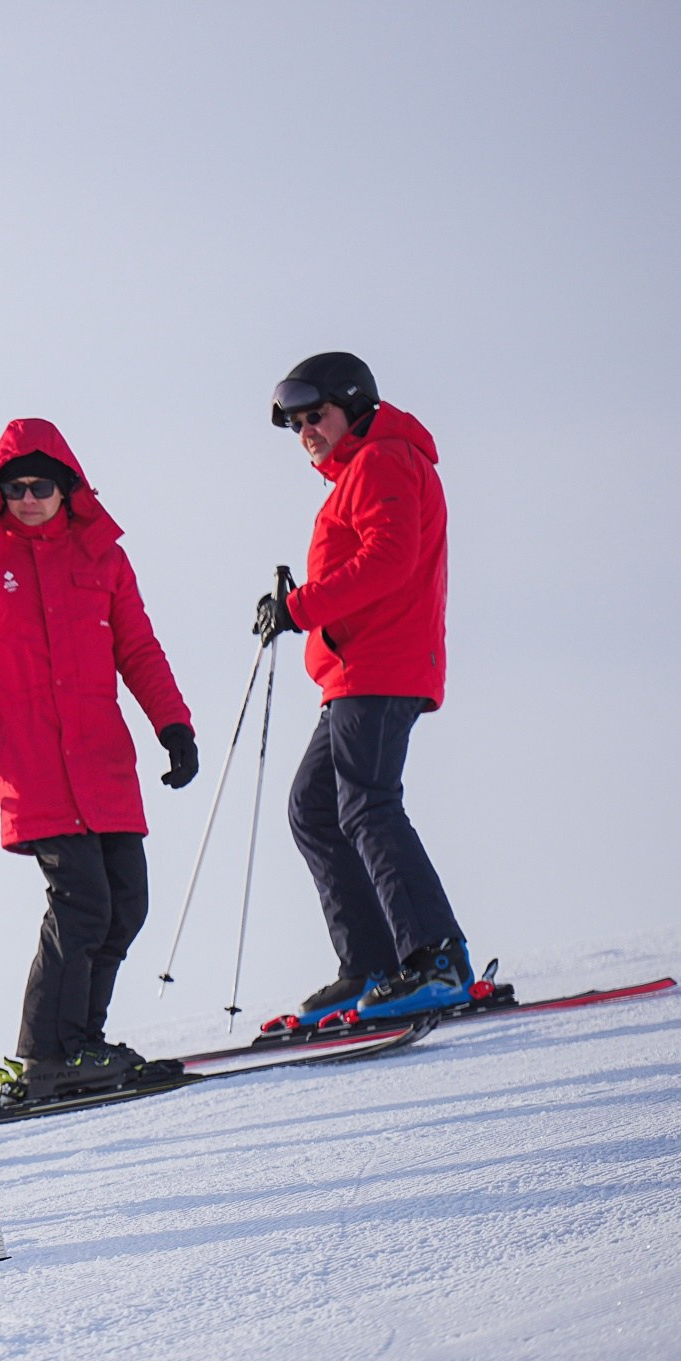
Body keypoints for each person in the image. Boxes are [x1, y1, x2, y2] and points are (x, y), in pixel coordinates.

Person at [0, 419, 198, 1102]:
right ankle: (45, 1052)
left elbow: (138, 648)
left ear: (67, 485)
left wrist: (174, 725)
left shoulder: (102, 558)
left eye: (40, 485)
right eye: (13, 488)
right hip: (37, 769)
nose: (28, 498)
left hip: (103, 764)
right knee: (81, 904)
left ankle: (81, 1041)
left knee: (125, 903)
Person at [257, 353, 468, 1021]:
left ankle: (435, 956)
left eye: (314, 414)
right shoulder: (357, 472)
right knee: (315, 808)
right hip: (354, 670)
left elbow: (389, 558)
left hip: (380, 666)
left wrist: (299, 608)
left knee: (367, 805)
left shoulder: (383, 460)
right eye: (295, 423)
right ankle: (371, 964)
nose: (306, 431)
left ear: (353, 405)